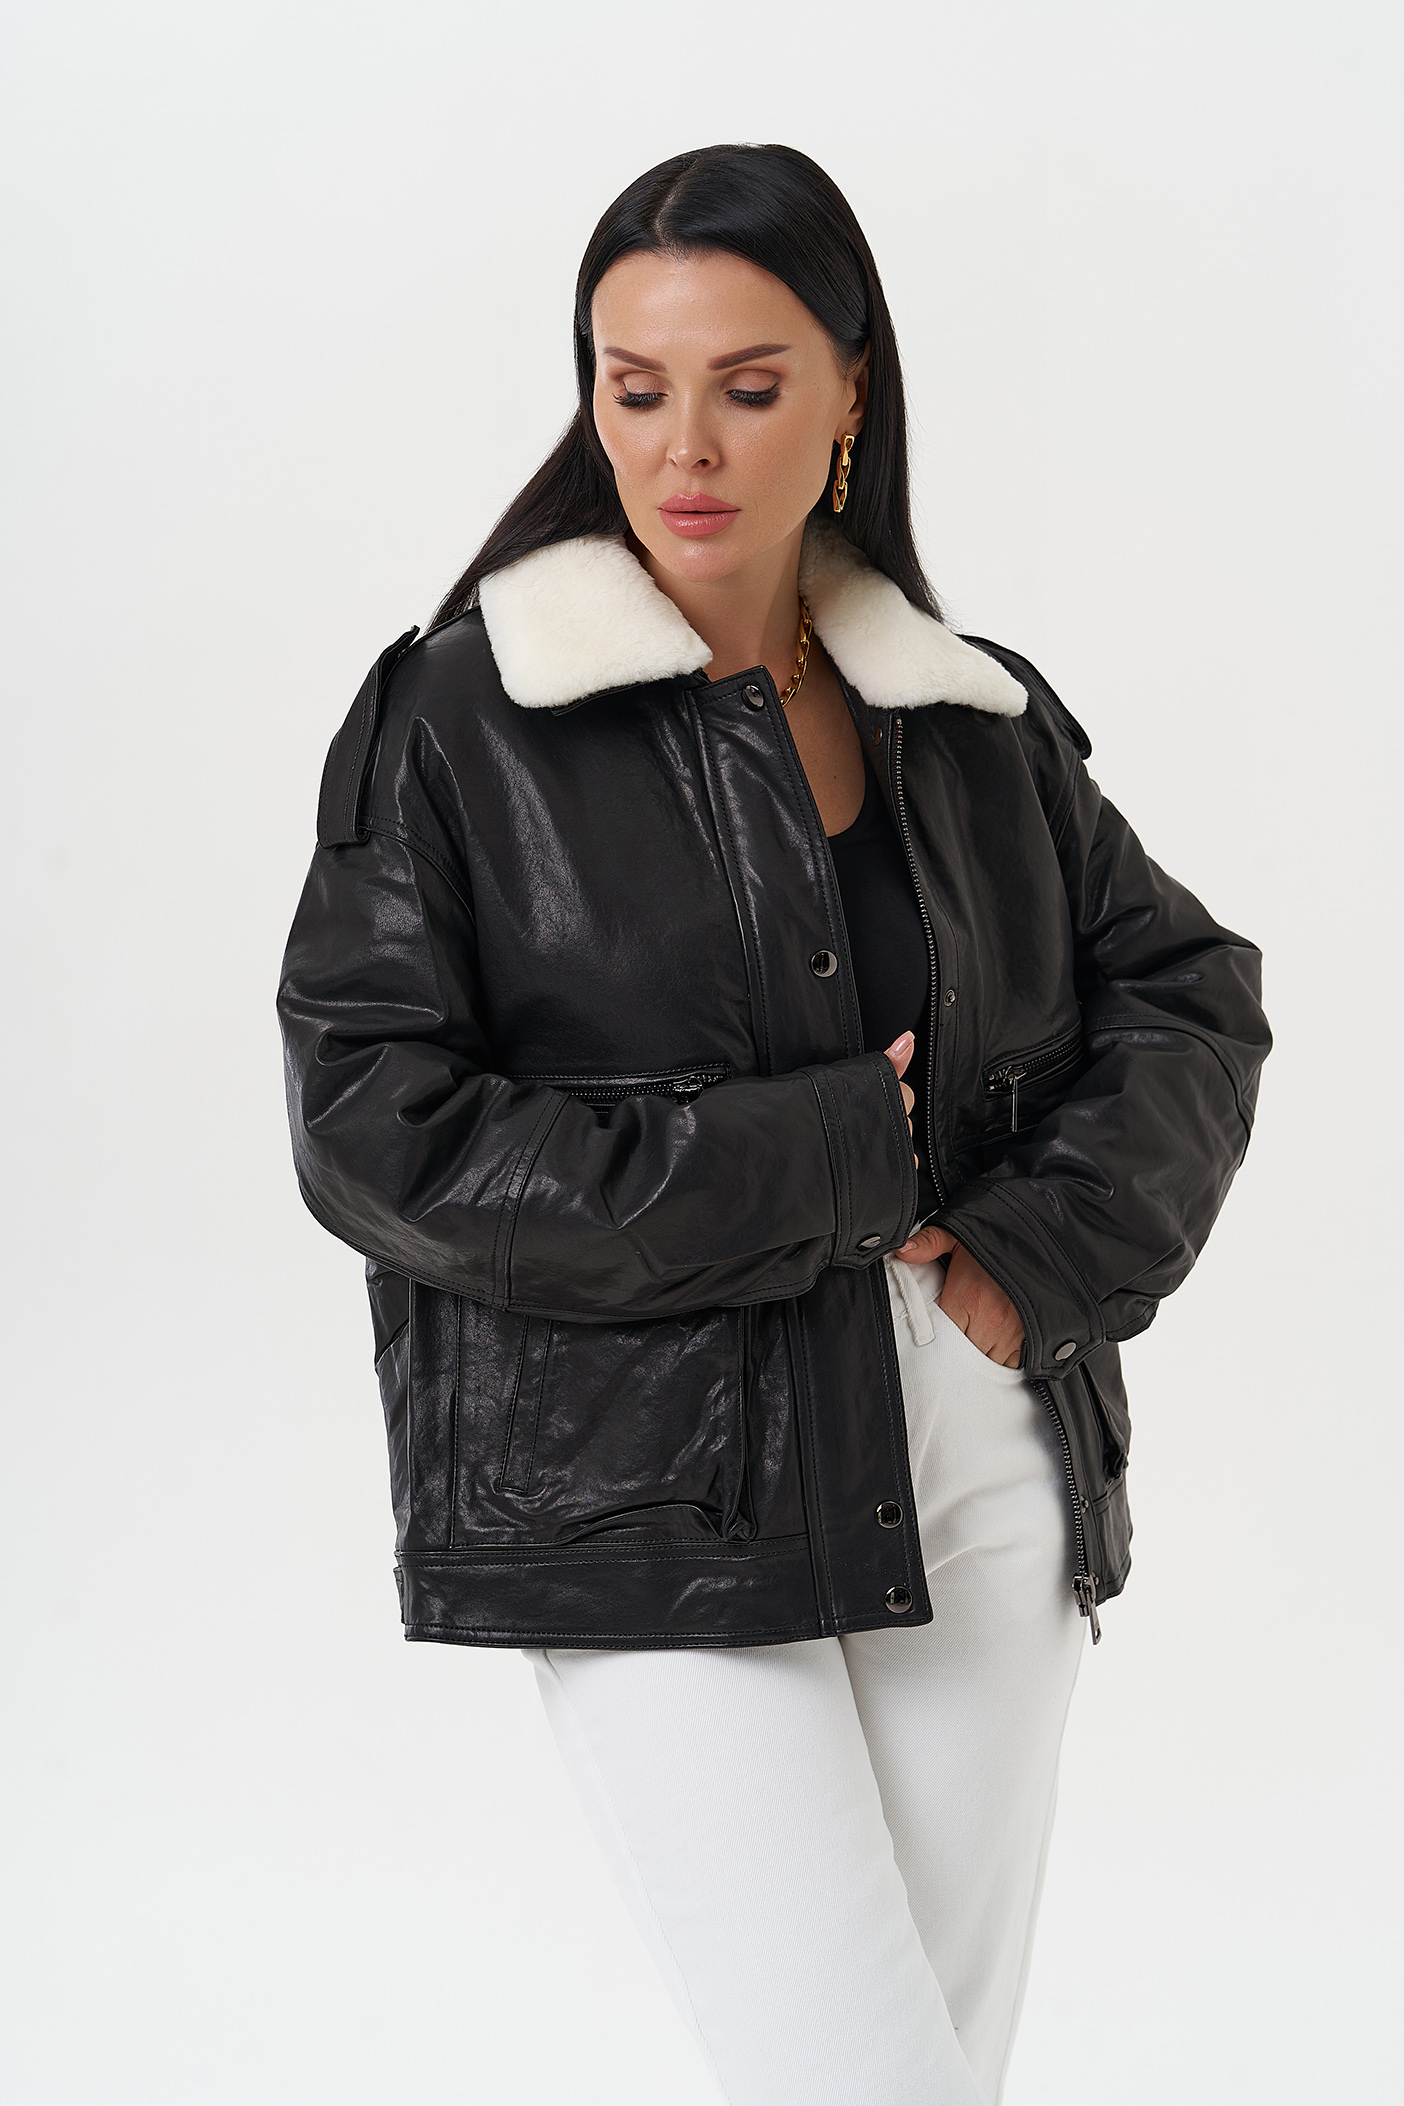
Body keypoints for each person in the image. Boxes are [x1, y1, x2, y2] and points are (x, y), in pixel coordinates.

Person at [277, 143, 1269, 2105]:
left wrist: (1031, 1259)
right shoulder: (462, 721)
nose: (685, 444)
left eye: (747, 383)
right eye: (634, 386)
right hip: (652, 1482)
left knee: (935, 2074)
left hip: (978, 1454)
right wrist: (810, 1157)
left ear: (849, 396)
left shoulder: (967, 716)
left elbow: (1192, 991)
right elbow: (371, 1122)